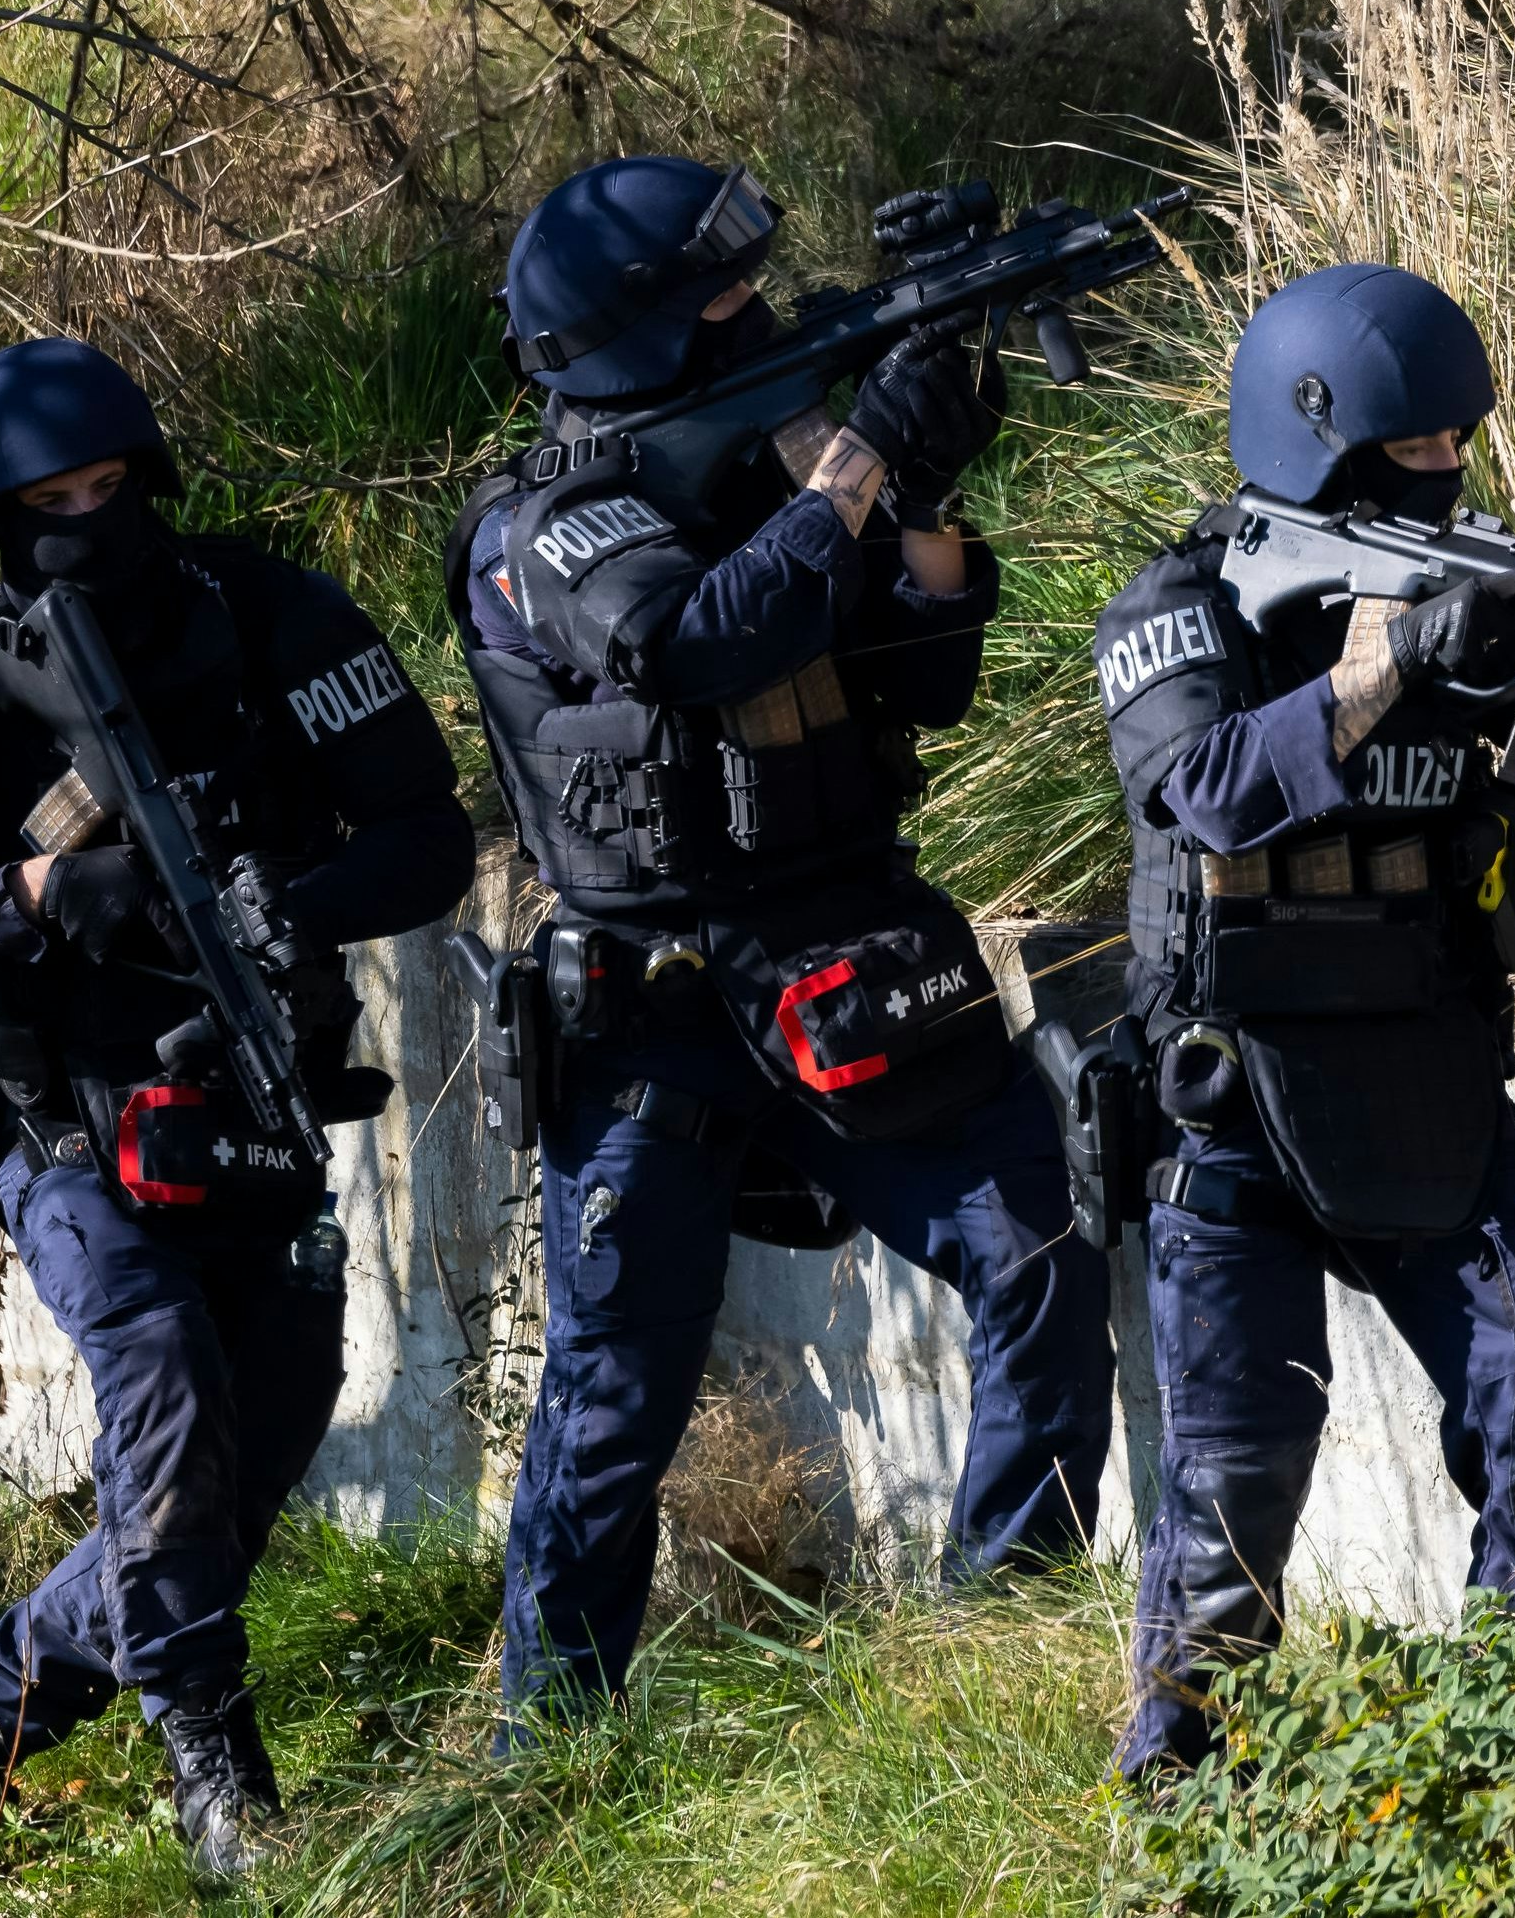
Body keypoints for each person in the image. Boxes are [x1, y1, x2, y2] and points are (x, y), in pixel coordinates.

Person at [449, 156, 1114, 1725]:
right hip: (654, 1009)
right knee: (616, 1400)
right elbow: (697, 636)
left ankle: (997, 1654)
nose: (755, 309)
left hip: (851, 961)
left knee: (1039, 1244)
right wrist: (860, 452)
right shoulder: (545, 525)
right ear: (627, 341)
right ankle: (549, 1751)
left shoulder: (776, 466)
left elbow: (926, 674)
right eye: (718, 299)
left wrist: (924, 499)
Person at [0, 337, 474, 1874]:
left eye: (112, 487)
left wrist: (291, 903)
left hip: (256, 1105)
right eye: (52, 501)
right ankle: (216, 1770)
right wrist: (46, 888)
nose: (91, 520)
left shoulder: (268, 617)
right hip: (68, 1127)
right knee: (167, 1390)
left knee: (241, 1463)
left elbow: (431, 836)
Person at [1091, 263, 1515, 1782]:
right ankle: (1179, 1807)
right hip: (1232, 1110)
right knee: (1237, 1479)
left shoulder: (1470, 596)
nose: (1447, 474)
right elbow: (1204, 791)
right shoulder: (1184, 606)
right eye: (1414, 454)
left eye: (1455, 447)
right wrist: (1385, 671)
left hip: (1429, 1089)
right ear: (1321, 449)